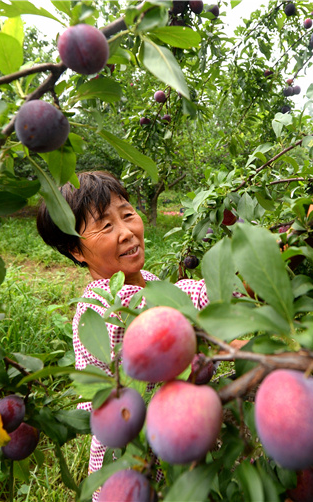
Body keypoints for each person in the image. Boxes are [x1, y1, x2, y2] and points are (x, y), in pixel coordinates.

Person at [36, 170, 208, 481]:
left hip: (168, 435)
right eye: (105, 225)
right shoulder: (103, 306)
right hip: (129, 459)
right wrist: (240, 278)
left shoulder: (149, 282)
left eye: (127, 214)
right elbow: (177, 306)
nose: (127, 231)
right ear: (76, 250)